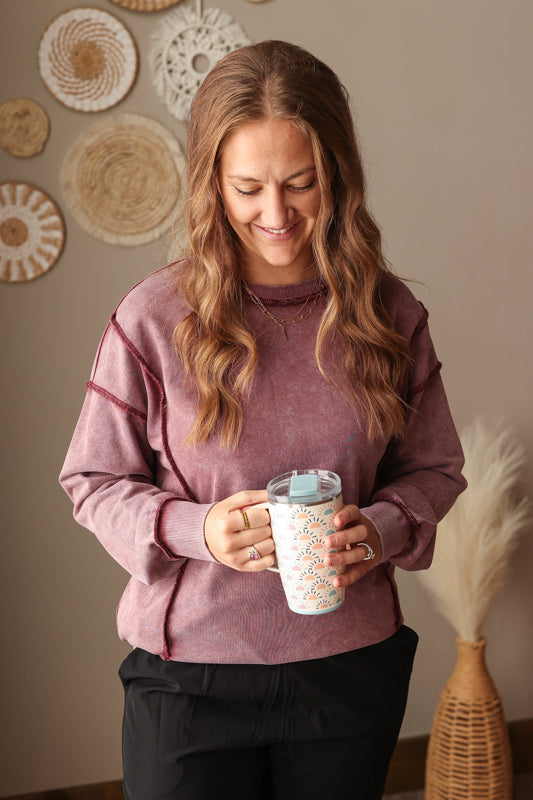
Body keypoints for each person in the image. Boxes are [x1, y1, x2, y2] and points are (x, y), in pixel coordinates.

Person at [60, 40, 466, 800]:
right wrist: (196, 529)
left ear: (336, 176)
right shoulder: (152, 318)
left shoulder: (388, 316)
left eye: (300, 184)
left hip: (348, 675)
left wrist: (379, 527)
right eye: (247, 187)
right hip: (188, 682)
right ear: (211, 183)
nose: (275, 214)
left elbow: (436, 470)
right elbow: (91, 480)